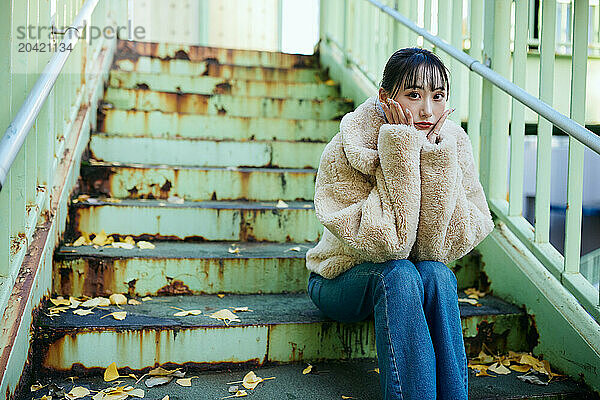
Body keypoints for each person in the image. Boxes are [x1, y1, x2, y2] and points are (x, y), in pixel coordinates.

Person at [305, 47, 494, 400]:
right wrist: (401, 148)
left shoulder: (451, 142)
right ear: (385, 96)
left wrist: (435, 159)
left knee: (438, 275)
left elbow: (434, 251)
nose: (427, 110)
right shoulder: (349, 144)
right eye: (413, 95)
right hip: (340, 279)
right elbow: (391, 245)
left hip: (405, 288)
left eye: (438, 97)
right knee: (399, 272)